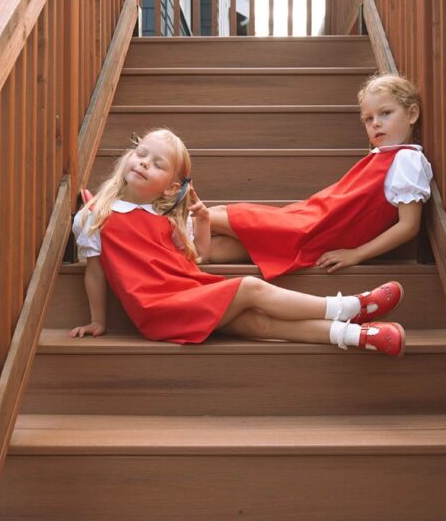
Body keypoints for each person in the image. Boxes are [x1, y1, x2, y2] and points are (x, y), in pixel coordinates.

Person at [70, 128, 407, 355]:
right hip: (159, 309)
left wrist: (201, 220)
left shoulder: (166, 218)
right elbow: (96, 272)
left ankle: (360, 336)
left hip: (187, 295)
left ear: (172, 188)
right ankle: (348, 306)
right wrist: (98, 320)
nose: (143, 162)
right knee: (249, 286)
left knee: (261, 323)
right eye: (141, 154)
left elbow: (198, 257)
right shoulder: (96, 214)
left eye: (157, 163)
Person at [207, 74, 433, 278]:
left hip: (315, 230)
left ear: (412, 114)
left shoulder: (406, 160)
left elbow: (408, 226)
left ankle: (171, 222)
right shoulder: (381, 156)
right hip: (311, 219)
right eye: (368, 118)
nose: (375, 123)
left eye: (385, 113)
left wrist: (356, 255)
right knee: (216, 248)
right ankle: (172, 249)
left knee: (216, 216)